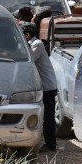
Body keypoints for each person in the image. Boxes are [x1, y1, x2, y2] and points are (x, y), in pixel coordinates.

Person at [20, 22, 57, 152]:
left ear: (27, 35)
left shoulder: (37, 45)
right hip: (43, 86)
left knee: (48, 117)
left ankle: (51, 144)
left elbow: (27, 59)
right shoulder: (32, 44)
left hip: (48, 87)